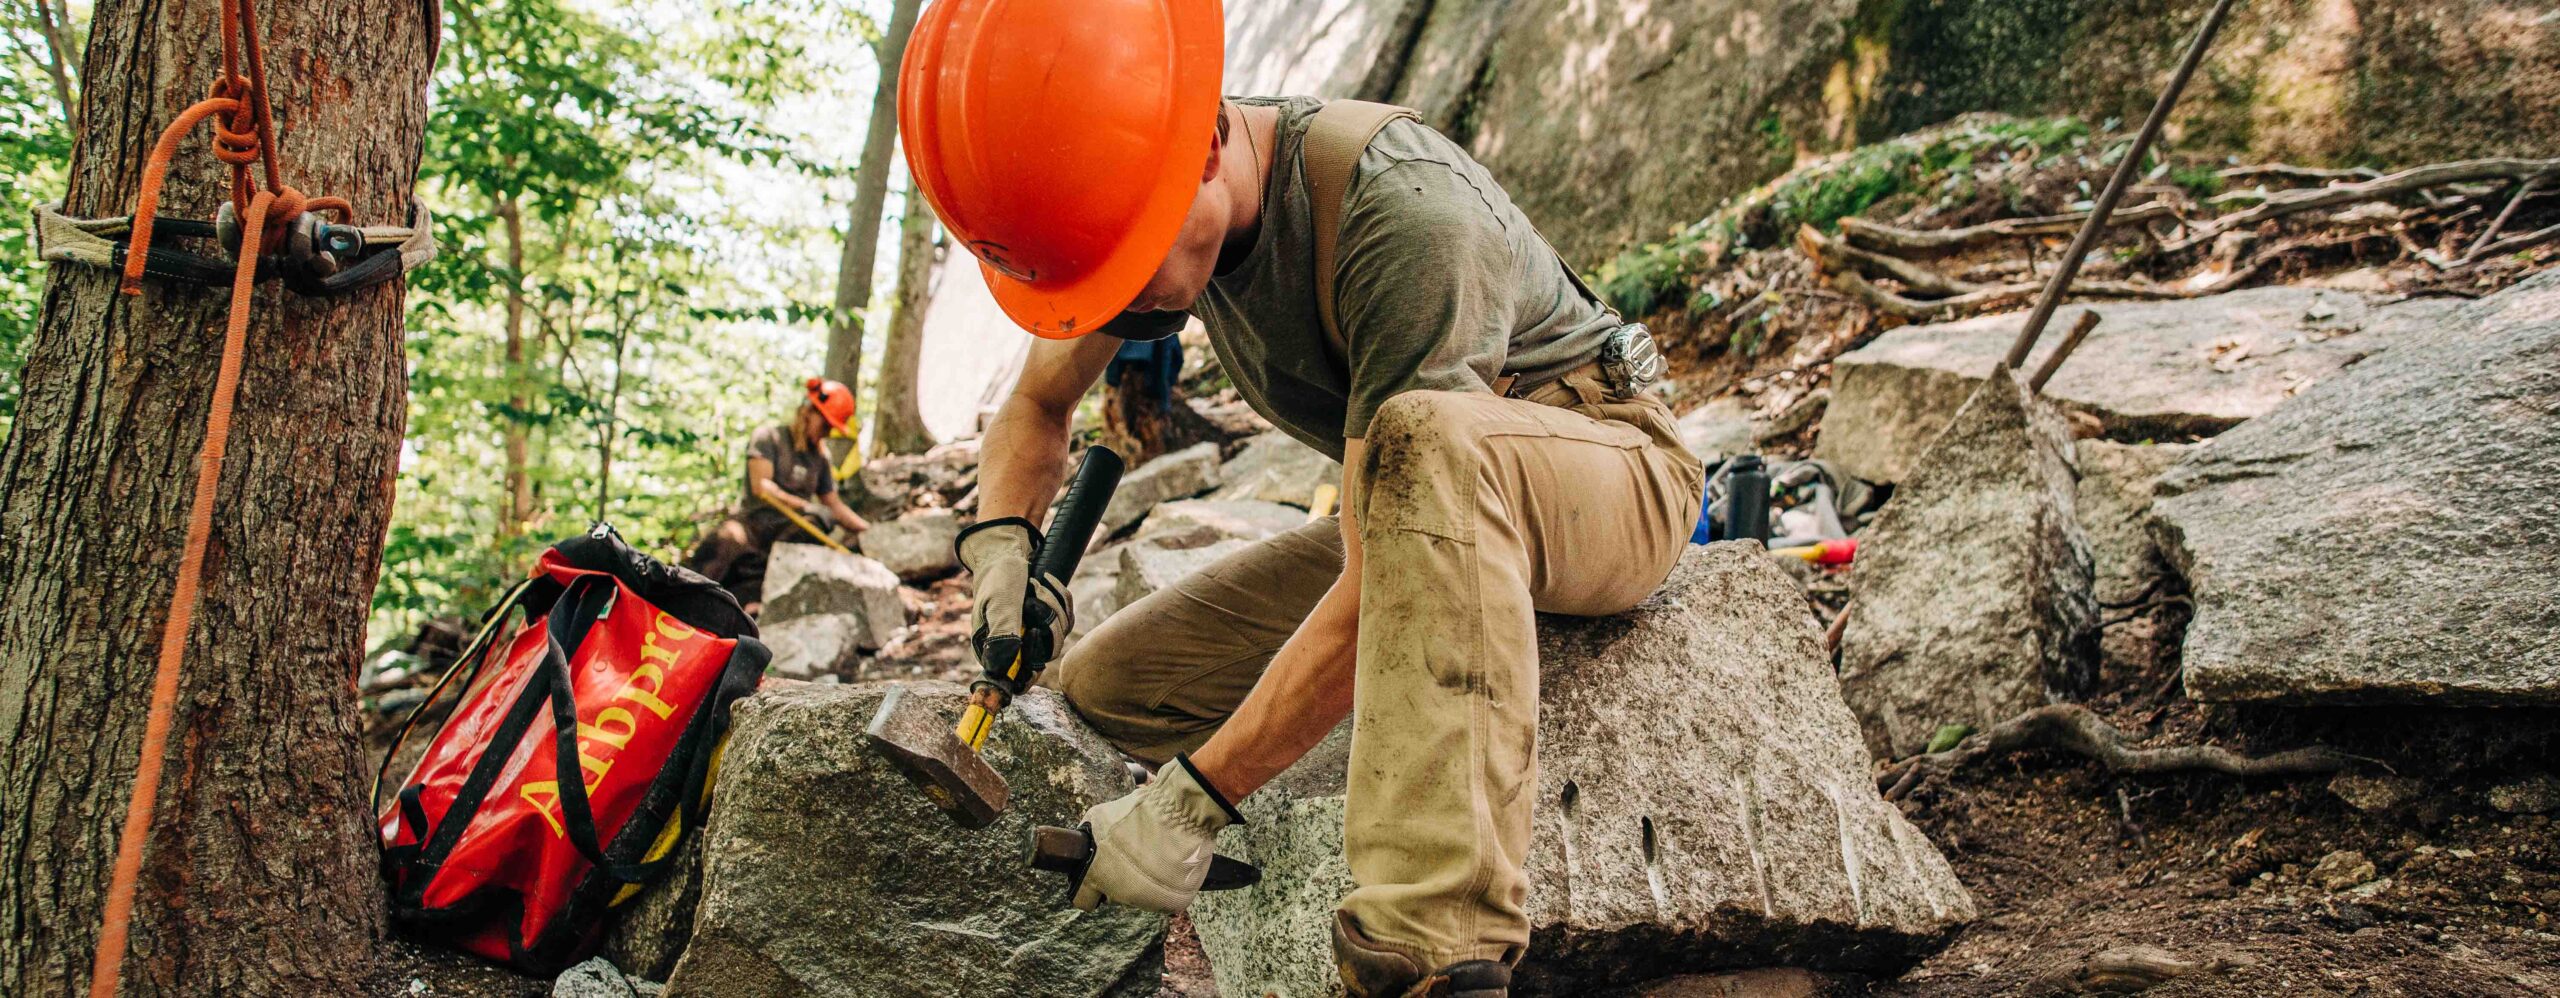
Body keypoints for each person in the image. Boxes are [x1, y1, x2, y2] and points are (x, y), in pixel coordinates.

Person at [906, 2, 1702, 995]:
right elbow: (1036, 401)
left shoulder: (1401, 212)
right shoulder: (1143, 212)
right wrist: (1001, 552)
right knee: (1111, 684)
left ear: (1202, 144)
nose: (1115, 309)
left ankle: (1422, 949)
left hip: (1607, 474)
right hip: (1420, 513)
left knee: (1425, 439)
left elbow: (1380, 565)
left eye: (1122, 263)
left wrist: (1192, 805)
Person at [685, 377, 870, 613]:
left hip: (787, 535)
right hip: (753, 525)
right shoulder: (769, 438)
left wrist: (869, 532)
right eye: (824, 425)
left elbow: (833, 504)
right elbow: (762, 487)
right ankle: (685, 595)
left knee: (818, 522)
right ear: (808, 412)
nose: (826, 433)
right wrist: (804, 506)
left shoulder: (820, 459)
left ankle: (751, 605)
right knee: (726, 540)